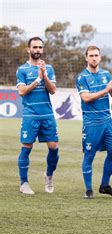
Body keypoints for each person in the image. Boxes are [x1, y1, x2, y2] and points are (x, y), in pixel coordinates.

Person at [76, 45, 112, 199]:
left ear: (100, 57)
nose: (94, 58)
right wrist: (106, 89)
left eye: (96, 55)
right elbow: (86, 98)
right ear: (86, 58)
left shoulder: (106, 74)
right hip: (91, 123)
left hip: (107, 121)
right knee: (89, 155)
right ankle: (88, 190)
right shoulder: (82, 77)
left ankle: (105, 185)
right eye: (91, 56)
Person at [16, 36, 59, 195]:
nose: (37, 50)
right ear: (29, 49)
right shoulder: (22, 70)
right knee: (26, 147)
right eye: (34, 47)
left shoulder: (49, 68)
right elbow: (22, 91)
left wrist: (45, 75)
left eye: (40, 47)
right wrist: (37, 79)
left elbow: (53, 90)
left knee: (54, 148)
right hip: (30, 115)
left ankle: (48, 176)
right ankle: (24, 183)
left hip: (47, 114)